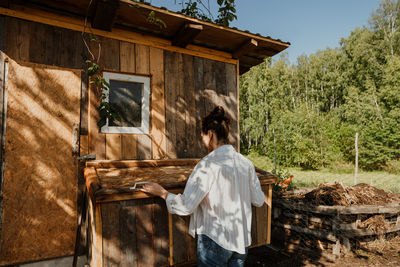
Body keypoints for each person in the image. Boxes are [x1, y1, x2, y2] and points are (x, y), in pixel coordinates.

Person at [141, 106, 265, 267]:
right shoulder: (246, 164)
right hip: (241, 241)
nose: (203, 140)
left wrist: (163, 193)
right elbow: (259, 200)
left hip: (215, 240)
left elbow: (186, 206)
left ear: (210, 135)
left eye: (203, 136)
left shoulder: (207, 165)